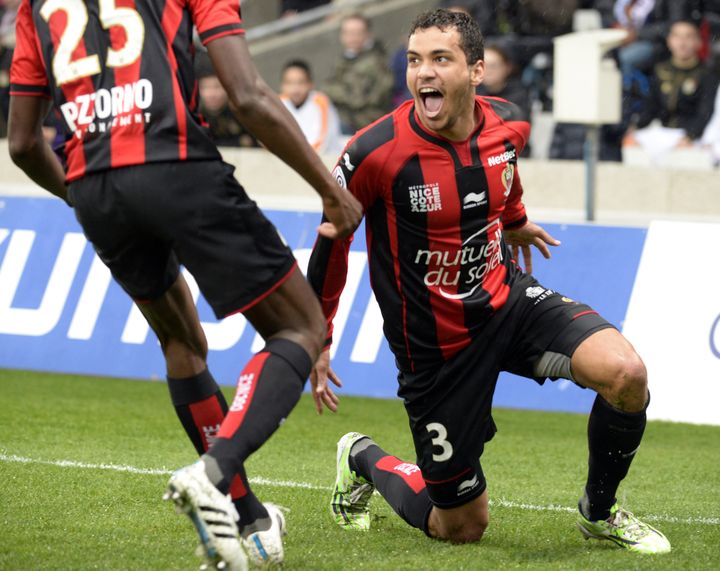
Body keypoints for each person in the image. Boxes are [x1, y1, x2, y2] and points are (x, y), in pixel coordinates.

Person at [8, 1, 362, 570]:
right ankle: (215, 472)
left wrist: (89, 197)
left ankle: (248, 519)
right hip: (176, 166)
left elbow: (24, 144)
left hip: (94, 183)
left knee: (181, 343)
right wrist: (330, 189)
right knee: (301, 325)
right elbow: (246, 95)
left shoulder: (34, 6)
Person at [307, 8, 671, 555]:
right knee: (463, 527)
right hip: (436, 349)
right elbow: (332, 243)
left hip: (507, 302)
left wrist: (517, 220)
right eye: (414, 61)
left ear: (476, 71)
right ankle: (362, 456)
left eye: (440, 59)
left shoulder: (508, 120)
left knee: (626, 373)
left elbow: (505, 170)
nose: (423, 74)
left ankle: (599, 512)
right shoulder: (372, 152)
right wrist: (318, 334)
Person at [625, 19, 718, 154]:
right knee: (631, 143)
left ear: (698, 42)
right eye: (677, 36)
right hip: (663, 132)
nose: (682, 43)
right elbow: (651, 107)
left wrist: (690, 136)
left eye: (688, 37)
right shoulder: (660, 70)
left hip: (691, 134)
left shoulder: (707, 75)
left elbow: (705, 113)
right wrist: (635, 128)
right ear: (669, 41)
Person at [323, 13, 394, 135]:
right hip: (347, 119)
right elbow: (326, 88)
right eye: (349, 33)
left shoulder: (376, 61)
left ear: (368, 34)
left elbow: (358, 99)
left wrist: (337, 92)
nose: (353, 37)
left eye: (358, 33)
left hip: (368, 123)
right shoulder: (342, 60)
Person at [280, 59, 344, 155]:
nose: (295, 89)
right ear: (282, 85)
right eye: (289, 83)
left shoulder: (321, 102)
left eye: (301, 82)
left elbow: (323, 142)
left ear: (310, 84)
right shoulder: (278, 103)